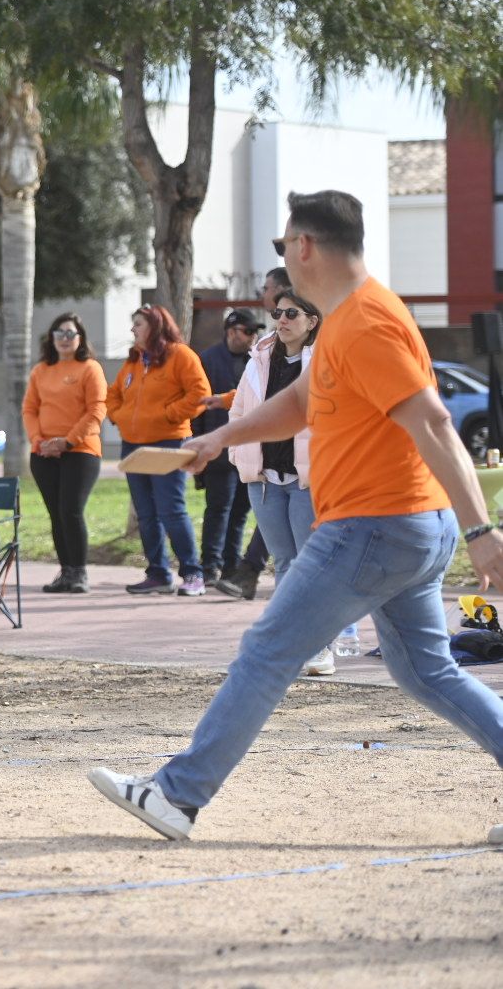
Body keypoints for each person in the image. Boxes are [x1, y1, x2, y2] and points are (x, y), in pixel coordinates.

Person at [90, 189, 503, 842]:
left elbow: (432, 421)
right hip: (402, 527)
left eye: (285, 244)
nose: (284, 254)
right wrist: (219, 439)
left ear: (304, 247)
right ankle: (178, 792)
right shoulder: (341, 320)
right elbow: (299, 402)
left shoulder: (368, 321)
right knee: (428, 671)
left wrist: (482, 532)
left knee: (267, 650)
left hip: (374, 525)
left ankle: (176, 795)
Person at [227, 288, 360, 678]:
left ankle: (320, 649)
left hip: (307, 481)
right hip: (264, 479)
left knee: (311, 566)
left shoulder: (325, 361)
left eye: (291, 313)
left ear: (312, 321)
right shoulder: (259, 357)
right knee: (285, 564)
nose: (281, 320)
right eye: (277, 313)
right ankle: (291, 648)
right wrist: (239, 454)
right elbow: (239, 409)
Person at [107, 305, 210, 595]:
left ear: (155, 326)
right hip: (133, 445)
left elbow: (200, 395)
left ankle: (193, 575)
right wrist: (119, 415)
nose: (132, 330)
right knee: (146, 513)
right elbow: (113, 394)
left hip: (169, 443)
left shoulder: (181, 355)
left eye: (137, 324)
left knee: (171, 510)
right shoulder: (134, 360)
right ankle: (158, 573)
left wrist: (167, 415)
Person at [215, 267, 291, 599]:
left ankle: (328, 635)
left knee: (304, 556)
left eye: (268, 288)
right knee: (288, 557)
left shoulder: (316, 349)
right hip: (266, 465)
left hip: (305, 469)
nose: (264, 294)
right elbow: (251, 399)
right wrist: (232, 447)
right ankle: (249, 571)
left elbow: (293, 398)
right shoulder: (263, 350)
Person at [21, 313, 107, 593]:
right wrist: (39, 440)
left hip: (80, 451)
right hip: (44, 453)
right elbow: (30, 409)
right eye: (60, 334)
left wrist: (67, 442)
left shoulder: (90, 368)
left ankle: (80, 572)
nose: (65, 339)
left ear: (80, 338)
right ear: (52, 338)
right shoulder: (40, 371)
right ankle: (66, 571)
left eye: (71, 334)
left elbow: (96, 410)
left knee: (71, 510)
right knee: (56, 513)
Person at [193, 308, 264, 586]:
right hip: (219, 453)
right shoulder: (208, 360)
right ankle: (210, 565)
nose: (253, 336)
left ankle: (231, 566)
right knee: (218, 509)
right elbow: (199, 408)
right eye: (248, 331)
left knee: (240, 512)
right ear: (232, 331)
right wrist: (198, 446)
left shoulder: (258, 360)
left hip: (250, 451)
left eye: (254, 331)